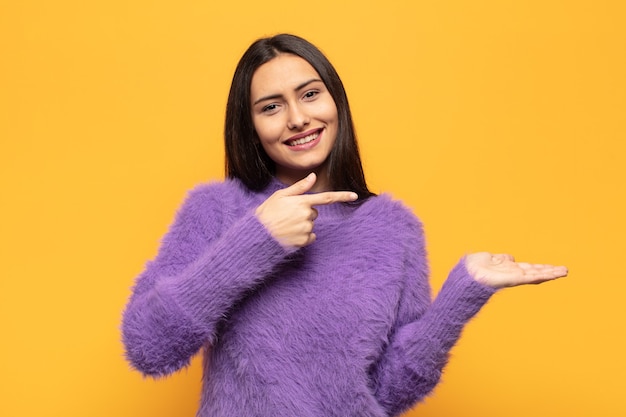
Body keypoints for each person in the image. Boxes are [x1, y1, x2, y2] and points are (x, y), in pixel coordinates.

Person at [121, 33, 567, 417]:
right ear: (251, 126)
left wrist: (462, 294)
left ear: (336, 100)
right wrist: (254, 242)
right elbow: (147, 346)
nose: (297, 118)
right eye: (271, 106)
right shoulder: (217, 209)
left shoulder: (395, 228)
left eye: (310, 94)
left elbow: (388, 392)